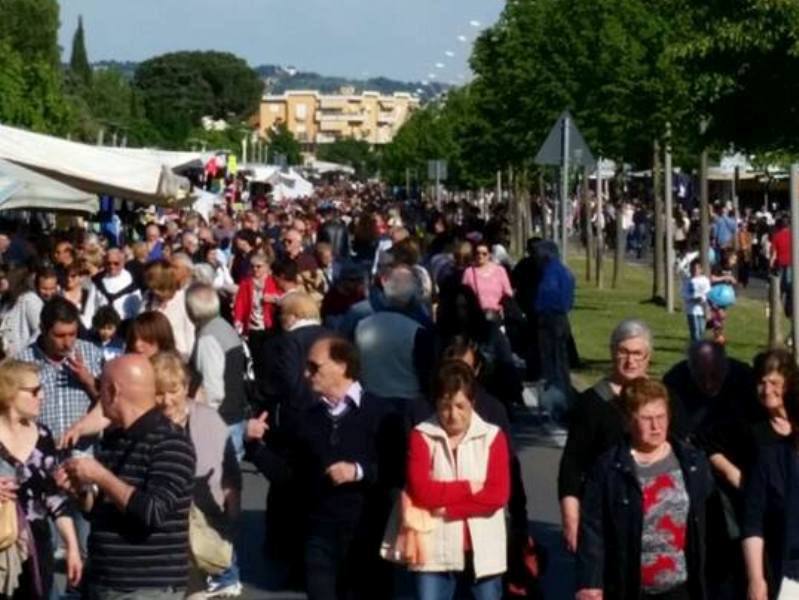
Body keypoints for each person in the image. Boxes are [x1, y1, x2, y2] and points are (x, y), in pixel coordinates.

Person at [246, 335, 401, 600]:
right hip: (319, 535)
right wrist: (255, 447)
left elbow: (396, 470)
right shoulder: (306, 418)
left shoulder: (381, 413)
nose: (306, 374)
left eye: (314, 367)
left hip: (368, 533)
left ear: (342, 365)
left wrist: (358, 471)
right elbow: (288, 476)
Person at [55, 354, 196, 600]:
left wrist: (100, 475)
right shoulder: (116, 438)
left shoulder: (170, 442)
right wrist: (80, 490)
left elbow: (152, 511)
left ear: (113, 391)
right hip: (104, 579)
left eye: (101, 388)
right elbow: (101, 509)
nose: (98, 397)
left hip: (145, 586)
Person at [576, 378, 713, 600]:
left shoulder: (692, 462)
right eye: (647, 419)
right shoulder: (608, 468)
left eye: (661, 417)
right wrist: (590, 583)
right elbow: (592, 530)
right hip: (629, 587)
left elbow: (709, 521)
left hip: (681, 588)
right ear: (628, 421)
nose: (656, 426)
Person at [402, 360, 510, 600]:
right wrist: (469, 487)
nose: (453, 415)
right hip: (434, 551)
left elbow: (496, 495)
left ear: (473, 403)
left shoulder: (492, 437)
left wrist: (448, 508)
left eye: (461, 406)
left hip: (483, 552)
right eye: (445, 406)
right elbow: (422, 491)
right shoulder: (421, 435)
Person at [150, 352, 243, 600]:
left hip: (206, 525)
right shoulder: (146, 425)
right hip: (162, 534)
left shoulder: (208, 419)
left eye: (173, 391)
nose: (167, 400)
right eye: (158, 393)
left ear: (186, 387)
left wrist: (232, 508)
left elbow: (229, 468)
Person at [559, 319, 653, 553]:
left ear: (648, 357)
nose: (630, 361)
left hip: (653, 510)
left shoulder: (662, 400)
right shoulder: (592, 403)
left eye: (637, 354)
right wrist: (571, 517)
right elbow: (572, 463)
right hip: (603, 512)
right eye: (623, 352)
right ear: (612, 353)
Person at [0, 360, 82, 598]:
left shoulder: (43, 435)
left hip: (37, 548)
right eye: (34, 391)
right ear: (9, 394)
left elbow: (55, 498)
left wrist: (73, 548)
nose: (42, 396)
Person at [15, 297, 102, 443]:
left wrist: (89, 381)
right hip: (38, 450)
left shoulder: (92, 354)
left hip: (83, 449)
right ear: (43, 329)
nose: (68, 343)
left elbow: (109, 405)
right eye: (59, 336)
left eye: (72, 334)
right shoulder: (22, 362)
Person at [355, 264, 435, 412]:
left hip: (371, 402)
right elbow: (427, 375)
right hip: (409, 404)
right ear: (413, 295)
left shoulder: (361, 326)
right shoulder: (418, 331)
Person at [186, 283, 248, 457]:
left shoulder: (208, 337)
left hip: (221, 420)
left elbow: (212, 388)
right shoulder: (224, 327)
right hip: (234, 415)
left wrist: (204, 423)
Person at [142, 260, 195, 360]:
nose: (153, 291)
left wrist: (187, 360)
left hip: (178, 358)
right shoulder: (148, 298)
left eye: (156, 287)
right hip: (152, 356)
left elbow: (190, 335)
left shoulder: (184, 300)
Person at [461, 241, 513, 321]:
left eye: (484, 254)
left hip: (497, 315)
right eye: (477, 253)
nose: (480, 256)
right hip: (476, 317)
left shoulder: (500, 270)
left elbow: (508, 293)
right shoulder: (469, 272)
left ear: (489, 255)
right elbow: (463, 296)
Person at [0, 267, 43, 357]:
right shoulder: (6, 302)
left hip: (23, 359)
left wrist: (24, 354)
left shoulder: (29, 299)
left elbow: (40, 331)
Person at [92, 248, 142, 322]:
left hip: (125, 324)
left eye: (116, 263)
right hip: (102, 324)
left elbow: (138, 311)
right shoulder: (97, 281)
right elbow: (91, 308)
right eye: (108, 263)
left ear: (123, 263)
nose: (112, 267)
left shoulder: (132, 282)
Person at [681, 258, 710, 343]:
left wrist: (702, 299)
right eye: (693, 268)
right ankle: (696, 347)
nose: (695, 271)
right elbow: (684, 293)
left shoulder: (704, 280)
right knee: (695, 331)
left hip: (702, 310)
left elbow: (708, 293)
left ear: (701, 269)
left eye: (697, 268)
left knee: (701, 330)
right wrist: (692, 298)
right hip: (691, 310)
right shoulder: (687, 280)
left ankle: (699, 345)